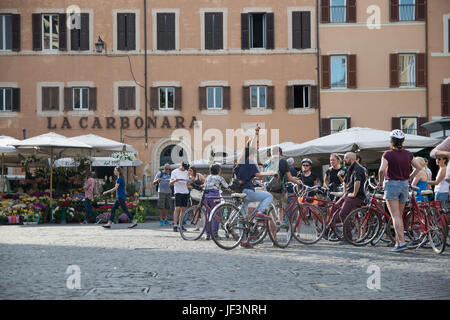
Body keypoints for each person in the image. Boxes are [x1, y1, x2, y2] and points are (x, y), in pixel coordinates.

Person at [377, 130, 421, 252]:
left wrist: (380, 182)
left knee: (395, 215)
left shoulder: (387, 154)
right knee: (399, 216)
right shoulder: (408, 154)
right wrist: (409, 177)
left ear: (391, 141)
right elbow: (418, 167)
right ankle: (398, 241)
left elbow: (381, 170)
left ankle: (401, 242)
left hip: (392, 184)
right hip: (404, 185)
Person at [234, 141, 277, 248]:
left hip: (240, 191)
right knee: (268, 196)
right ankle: (260, 211)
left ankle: (243, 241)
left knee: (242, 217)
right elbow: (258, 174)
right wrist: (271, 173)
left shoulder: (239, 162)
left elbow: (251, 176)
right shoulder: (250, 161)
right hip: (247, 191)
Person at [338, 152, 367, 242]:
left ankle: (348, 237)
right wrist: (345, 192)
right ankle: (330, 231)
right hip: (349, 194)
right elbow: (346, 182)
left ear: (352, 159)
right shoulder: (349, 168)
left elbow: (357, 182)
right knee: (334, 207)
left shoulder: (358, 169)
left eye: (346, 158)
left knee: (342, 214)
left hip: (356, 196)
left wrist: (354, 193)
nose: (344, 160)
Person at [203, 164, 230, 240]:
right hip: (214, 195)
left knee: (208, 215)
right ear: (218, 171)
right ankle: (214, 234)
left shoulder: (208, 177)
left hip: (206, 195)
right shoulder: (219, 178)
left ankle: (207, 234)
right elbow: (227, 187)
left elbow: (205, 185)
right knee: (216, 215)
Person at [170, 161, 191, 232]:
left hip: (185, 192)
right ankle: (175, 225)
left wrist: (189, 182)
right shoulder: (174, 172)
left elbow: (188, 183)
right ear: (181, 165)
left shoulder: (187, 172)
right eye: (184, 167)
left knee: (183, 209)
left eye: (186, 168)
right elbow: (171, 183)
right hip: (178, 192)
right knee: (177, 208)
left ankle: (180, 225)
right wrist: (175, 180)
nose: (185, 169)